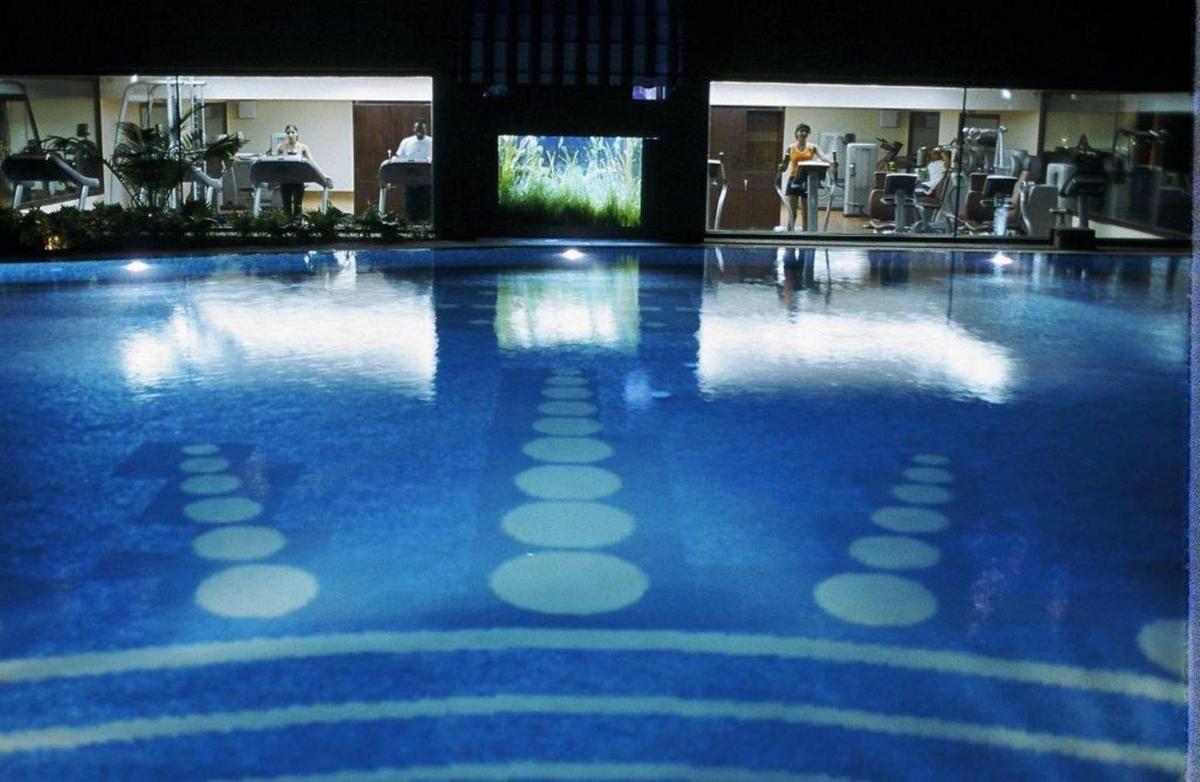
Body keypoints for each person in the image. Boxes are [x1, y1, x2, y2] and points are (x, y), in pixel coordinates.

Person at [777, 123, 834, 230]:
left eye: (806, 131)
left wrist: (832, 162)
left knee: (806, 212)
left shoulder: (812, 147)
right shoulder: (791, 148)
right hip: (793, 180)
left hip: (806, 181)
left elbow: (823, 158)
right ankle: (790, 234)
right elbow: (784, 166)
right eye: (801, 131)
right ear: (796, 133)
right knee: (792, 211)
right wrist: (781, 167)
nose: (803, 133)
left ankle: (806, 234)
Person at [395, 119, 433, 222]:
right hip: (410, 182)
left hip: (427, 182)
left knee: (426, 209)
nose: (419, 131)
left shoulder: (432, 141)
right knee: (410, 208)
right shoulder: (406, 142)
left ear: (426, 129)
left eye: (422, 128)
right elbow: (398, 158)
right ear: (413, 129)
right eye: (417, 128)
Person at [273, 124, 313, 218]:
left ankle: (297, 227)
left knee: (298, 207)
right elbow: (273, 160)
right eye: (288, 133)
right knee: (286, 207)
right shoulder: (281, 147)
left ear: (296, 134)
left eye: (292, 132)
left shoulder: (303, 147)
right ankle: (287, 227)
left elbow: (311, 162)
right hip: (285, 180)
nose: (290, 135)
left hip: (298, 180)